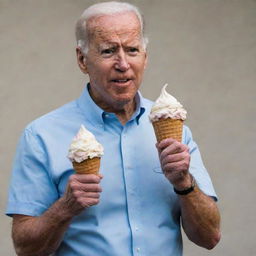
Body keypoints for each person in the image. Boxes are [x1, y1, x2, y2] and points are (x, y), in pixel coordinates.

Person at [6, 2, 221, 256]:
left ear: (145, 57)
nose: (123, 63)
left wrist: (184, 182)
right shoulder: (41, 136)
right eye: (108, 51)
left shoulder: (174, 130)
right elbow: (25, 248)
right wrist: (65, 207)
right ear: (82, 60)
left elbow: (210, 237)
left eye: (132, 50)